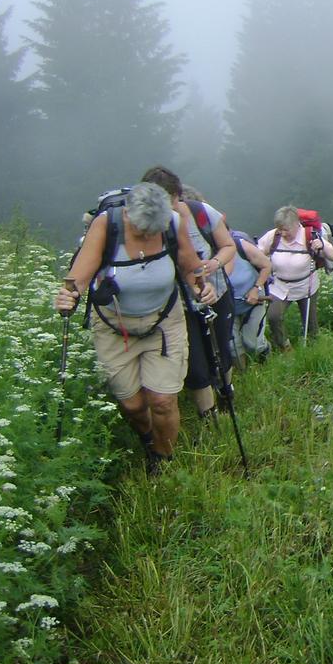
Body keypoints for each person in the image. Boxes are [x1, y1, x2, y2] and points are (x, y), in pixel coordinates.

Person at [54, 182, 210, 475]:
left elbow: (190, 267)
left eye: (154, 231)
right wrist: (68, 296)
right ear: (127, 215)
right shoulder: (106, 225)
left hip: (163, 323)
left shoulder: (172, 224)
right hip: (115, 327)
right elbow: (79, 277)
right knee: (133, 405)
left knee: (162, 400)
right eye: (142, 231)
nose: (149, 236)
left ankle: (163, 459)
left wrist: (203, 288)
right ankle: (149, 440)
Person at [142, 168, 238, 424]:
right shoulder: (146, 223)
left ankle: (227, 393)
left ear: (178, 196)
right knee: (195, 363)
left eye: (169, 202)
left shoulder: (201, 213)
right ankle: (209, 417)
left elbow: (229, 246)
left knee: (221, 352)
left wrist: (214, 263)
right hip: (176, 305)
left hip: (215, 292)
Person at [258, 206, 333, 350]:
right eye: (279, 229)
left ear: (296, 224)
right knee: (274, 316)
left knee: (310, 323)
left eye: (285, 229)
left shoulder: (310, 235)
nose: (282, 233)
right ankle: (284, 346)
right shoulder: (273, 236)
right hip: (280, 285)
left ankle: (314, 350)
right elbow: (258, 252)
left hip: (306, 285)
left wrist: (322, 248)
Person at [226, 228, 273, 366]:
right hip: (229, 305)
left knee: (251, 343)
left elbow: (266, 265)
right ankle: (244, 376)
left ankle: (265, 352)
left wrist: (255, 289)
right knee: (233, 345)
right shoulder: (205, 253)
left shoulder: (240, 245)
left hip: (254, 300)